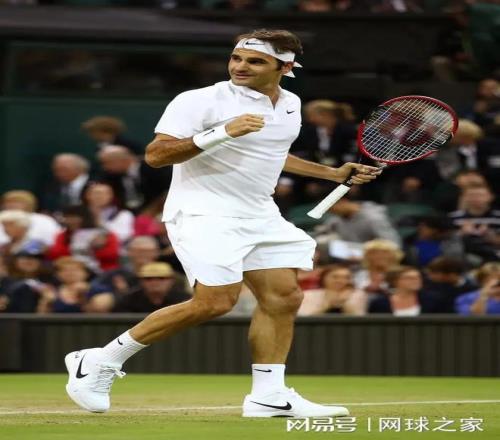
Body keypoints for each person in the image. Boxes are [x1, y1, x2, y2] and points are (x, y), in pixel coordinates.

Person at [64, 28, 379, 418]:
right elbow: (156, 155)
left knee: (284, 298)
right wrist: (221, 132)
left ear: (285, 67)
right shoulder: (198, 100)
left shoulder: (291, 104)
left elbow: (271, 154)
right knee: (215, 302)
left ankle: (268, 395)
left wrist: (330, 173)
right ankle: (100, 360)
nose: (240, 67)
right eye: (236, 58)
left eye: (255, 61)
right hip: (204, 212)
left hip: (260, 213)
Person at [113, 262, 191, 313]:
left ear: (172, 280)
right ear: (141, 281)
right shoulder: (128, 300)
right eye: (148, 279)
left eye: (161, 278)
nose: (155, 282)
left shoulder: (185, 300)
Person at [368, 266, 439, 315]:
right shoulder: (379, 303)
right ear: (395, 281)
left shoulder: (433, 300)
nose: (416, 281)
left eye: (418, 277)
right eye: (409, 278)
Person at [298, 265, 367, 316]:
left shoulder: (357, 294)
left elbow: (359, 318)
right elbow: (305, 318)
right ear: (323, 278)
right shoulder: (308, 294)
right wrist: (328, 304)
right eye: (335, 277)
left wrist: (343, 302)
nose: (341, 281)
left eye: (347, 277)